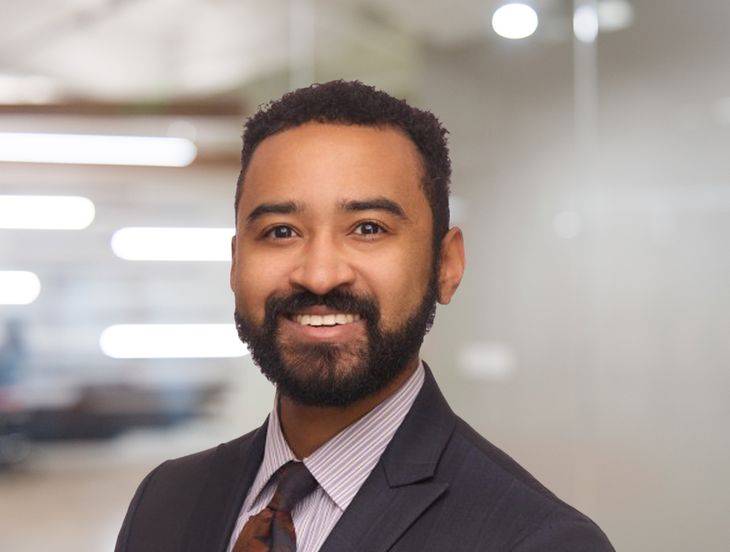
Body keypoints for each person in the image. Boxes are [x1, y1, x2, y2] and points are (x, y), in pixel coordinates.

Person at [116, 80, 614, 552]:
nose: (319, 275)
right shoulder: (166, 499)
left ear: (446, 265)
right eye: (281, 231)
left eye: (368, 228)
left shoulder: (538, 541)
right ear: (235, 263)